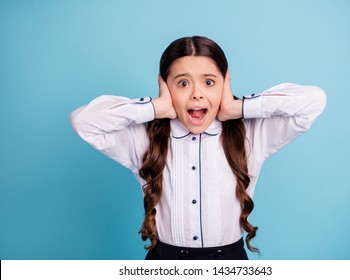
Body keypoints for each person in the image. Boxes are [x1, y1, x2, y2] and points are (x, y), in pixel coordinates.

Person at [70, 36, 326, 260]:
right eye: (182, 83)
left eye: (209, 82)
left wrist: (237, 107)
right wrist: (156, 108)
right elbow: (83, 121)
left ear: (225, 84)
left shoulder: (250, 133)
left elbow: (313, 101)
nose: (196, 94)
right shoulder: (143, 137)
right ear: (164, 86)